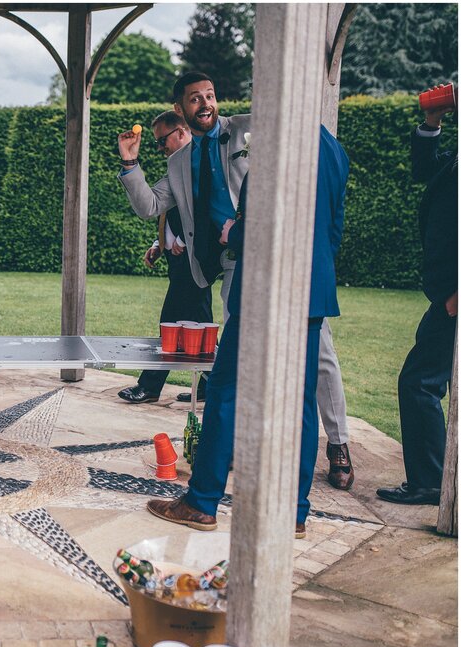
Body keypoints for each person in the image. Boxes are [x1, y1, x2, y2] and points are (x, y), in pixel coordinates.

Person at [117, 72, 355, 489]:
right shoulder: (177, 161)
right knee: (236, 360)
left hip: (280, 260)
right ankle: (235, 444)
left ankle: (338, 444)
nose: (205, 104)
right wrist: (130, 162)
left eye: (209, 95)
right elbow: (149, 205)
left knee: (318, 354)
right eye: (195, 99)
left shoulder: (249, 127)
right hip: (230, 268)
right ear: (181, 110)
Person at [146, 125, 349, 538]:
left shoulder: (282, 139)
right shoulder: (333, 148)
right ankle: (293, 513)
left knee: (225, 392)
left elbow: (267, 224)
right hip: (311, 292)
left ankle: (202, 503)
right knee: (300, 405)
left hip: (265, 291)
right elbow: (331, 229)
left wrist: (232, 233)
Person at [376, 97, 457, 505]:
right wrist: (432, 120)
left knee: (419, 383)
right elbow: (427, 169)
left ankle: (431, 481)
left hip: (454, 298)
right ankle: (436, 478)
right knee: (422, 381)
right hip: (445, 295)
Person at [118, 111, 212, 404]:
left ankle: (150, 386)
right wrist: (162, 243)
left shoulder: (206, 164)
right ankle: (214, 384)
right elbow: (155, 208)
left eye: (162, 141)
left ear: (182, 132)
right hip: (181, 260)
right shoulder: (176, 170)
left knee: (171, 324)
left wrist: (185, 240)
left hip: (194, 261)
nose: (160, 148)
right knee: (200, 326)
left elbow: (211, 207)